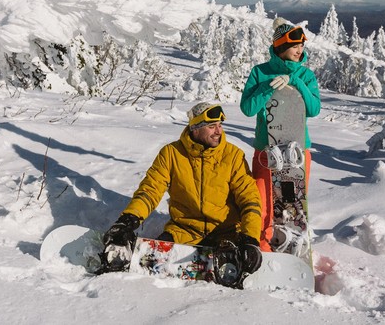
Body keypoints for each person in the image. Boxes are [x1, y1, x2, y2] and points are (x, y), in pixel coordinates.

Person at [100, 102, 263, 279]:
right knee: (150, 268)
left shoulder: (233, 156)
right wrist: (128, 220)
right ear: (195, 128)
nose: (218, 131)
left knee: (232, 273)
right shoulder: (171, 154)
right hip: (183, 231)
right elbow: (150, 191)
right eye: (211, 126)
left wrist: (250, 239)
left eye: (220, 125)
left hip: (226, 233)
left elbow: (250, 200)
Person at [239, 17, 321, 252]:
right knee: (262, 203)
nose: (300, 50)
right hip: (266, 150)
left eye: (301, 46)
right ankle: (263, 250)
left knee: (291, 206)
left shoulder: (306, 76)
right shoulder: (260, 72)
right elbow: (248, 109)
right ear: (281, 47)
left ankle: (292, 247)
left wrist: (294, 80)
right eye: (295, 46)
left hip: (296, 152)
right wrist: (266, 87)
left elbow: (314, 110)